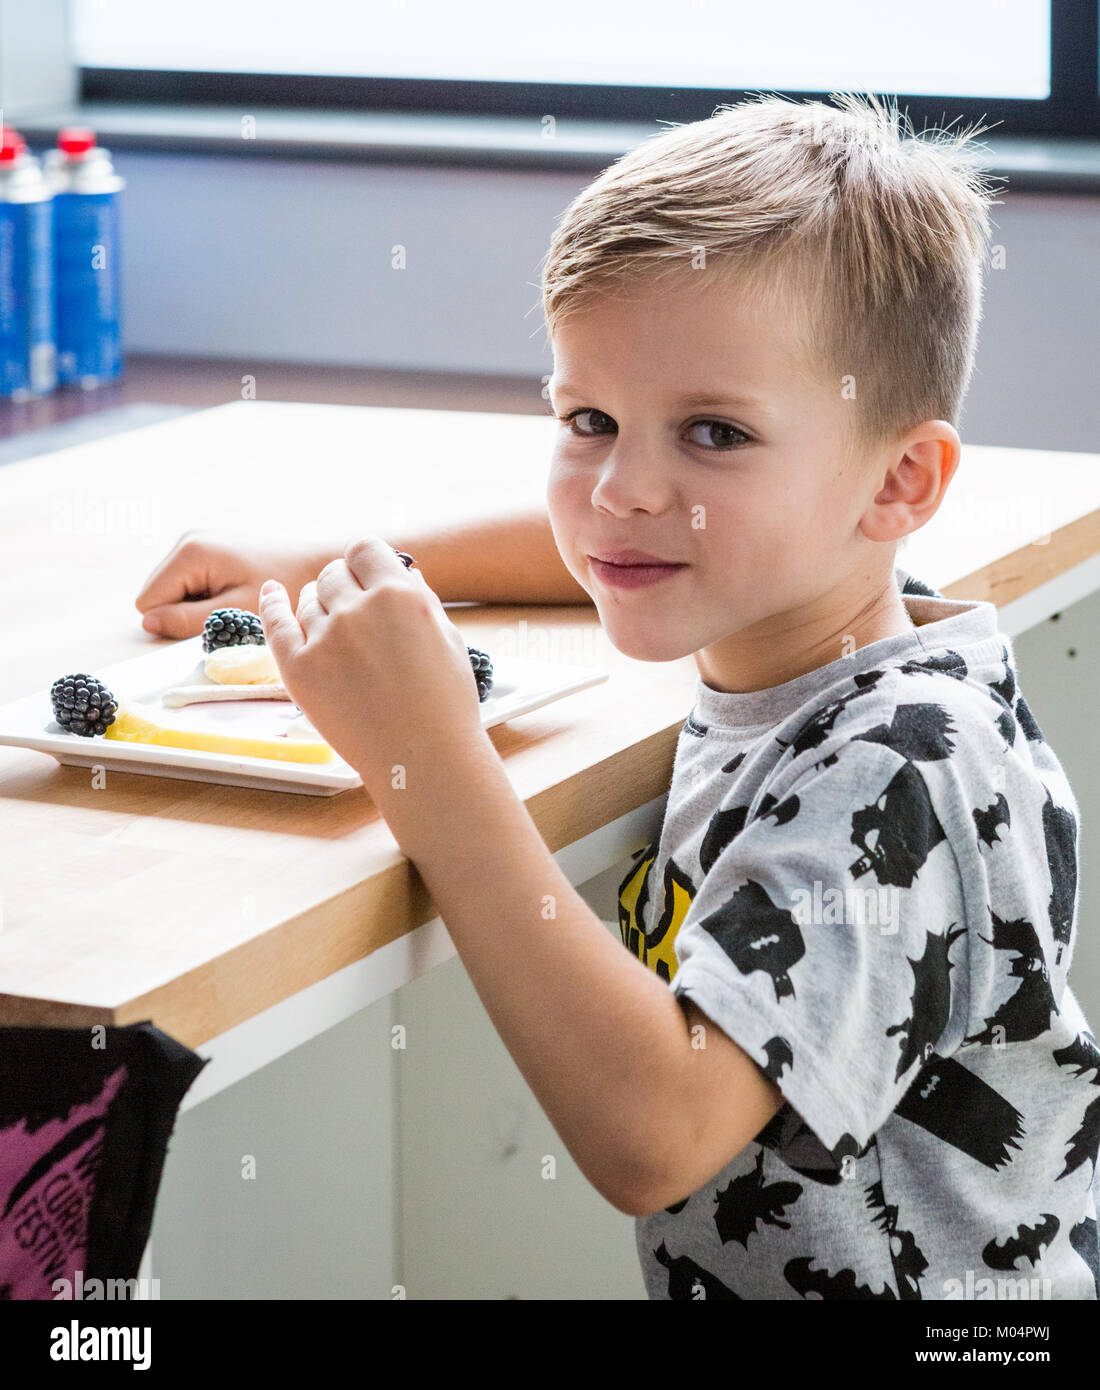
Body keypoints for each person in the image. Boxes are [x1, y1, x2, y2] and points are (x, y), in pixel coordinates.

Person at [134, 92, 1098, 1300]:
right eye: (588, 418)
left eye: (711, 431)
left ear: (898, 481)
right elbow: (606, 539)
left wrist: (424, 759)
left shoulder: (898, 766)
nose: (624, 489)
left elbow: (656, 1134)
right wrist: (327, 563)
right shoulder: (825, 599)